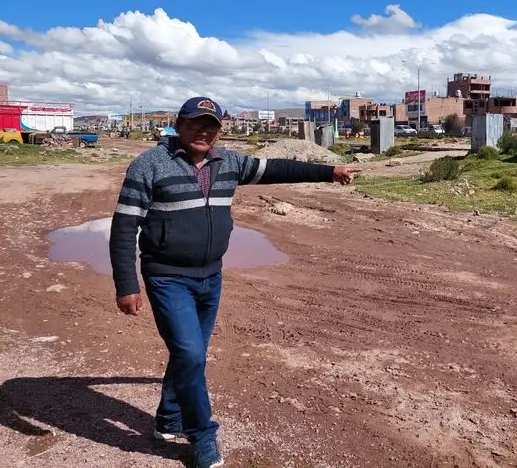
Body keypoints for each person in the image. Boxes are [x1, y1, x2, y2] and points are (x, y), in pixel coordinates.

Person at [109, 96, 361, 468]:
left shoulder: (229, 162)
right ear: (178, 125)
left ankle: (168, 417)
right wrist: (126, 284)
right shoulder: (149, 165)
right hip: (167, 277)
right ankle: (202, 437)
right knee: (192, 354)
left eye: (211, 125)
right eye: (196, 123)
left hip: (211, 276)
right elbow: (124, 226)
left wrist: (329, 171)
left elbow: (276, 168)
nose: (204, 131)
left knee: (188, 355)